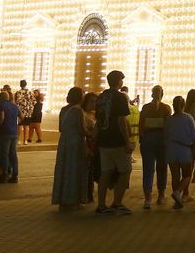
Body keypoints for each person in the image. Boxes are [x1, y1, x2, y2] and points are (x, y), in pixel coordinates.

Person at [95, 70, 134, 215]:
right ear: (119, 82)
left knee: (105, 172)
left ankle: (101, 205)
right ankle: (117, 203)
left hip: (103, 141)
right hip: (117, 141)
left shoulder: (101, 97)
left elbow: (98, 120)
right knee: (125, 170)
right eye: (121, 80)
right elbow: (121, 120)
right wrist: (127, 141)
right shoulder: (120, 97)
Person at [50, 87, 88, 211]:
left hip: (64, 141)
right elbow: (82, 129)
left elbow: (61, 128)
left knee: (63, 168)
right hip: (75, 142)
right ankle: (73, 200)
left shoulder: (63, 109)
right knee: (74, 169)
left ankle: (62, 199)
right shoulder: (78, 110)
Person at [165, 95, 195, 208]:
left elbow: (165, 135)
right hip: (185, 149)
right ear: (184, 105)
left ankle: (177, 201)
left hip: (171, 149)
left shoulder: (169, 119)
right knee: (187, 175)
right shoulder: (188, 118)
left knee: (175, 176)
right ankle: (178, 192)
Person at [138, 84, 169, 209]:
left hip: (148, 139)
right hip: (161, 139)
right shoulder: (166, 108)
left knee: (148, 169)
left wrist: (142, 137)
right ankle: (161, 195)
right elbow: (167, 125)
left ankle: (148, 198)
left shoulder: (146, 108)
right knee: (162, 168)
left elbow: (141, 125)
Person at [0, 87, 20, 184]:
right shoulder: (15, 106)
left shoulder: (1, 105)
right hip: (14, 132)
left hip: (4, 132)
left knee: (4, 155)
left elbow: (1, 117)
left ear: (1, 97)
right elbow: (22, 117)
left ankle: (4, 175)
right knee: (13, 155)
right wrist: (14, 124)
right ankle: (15, 175)